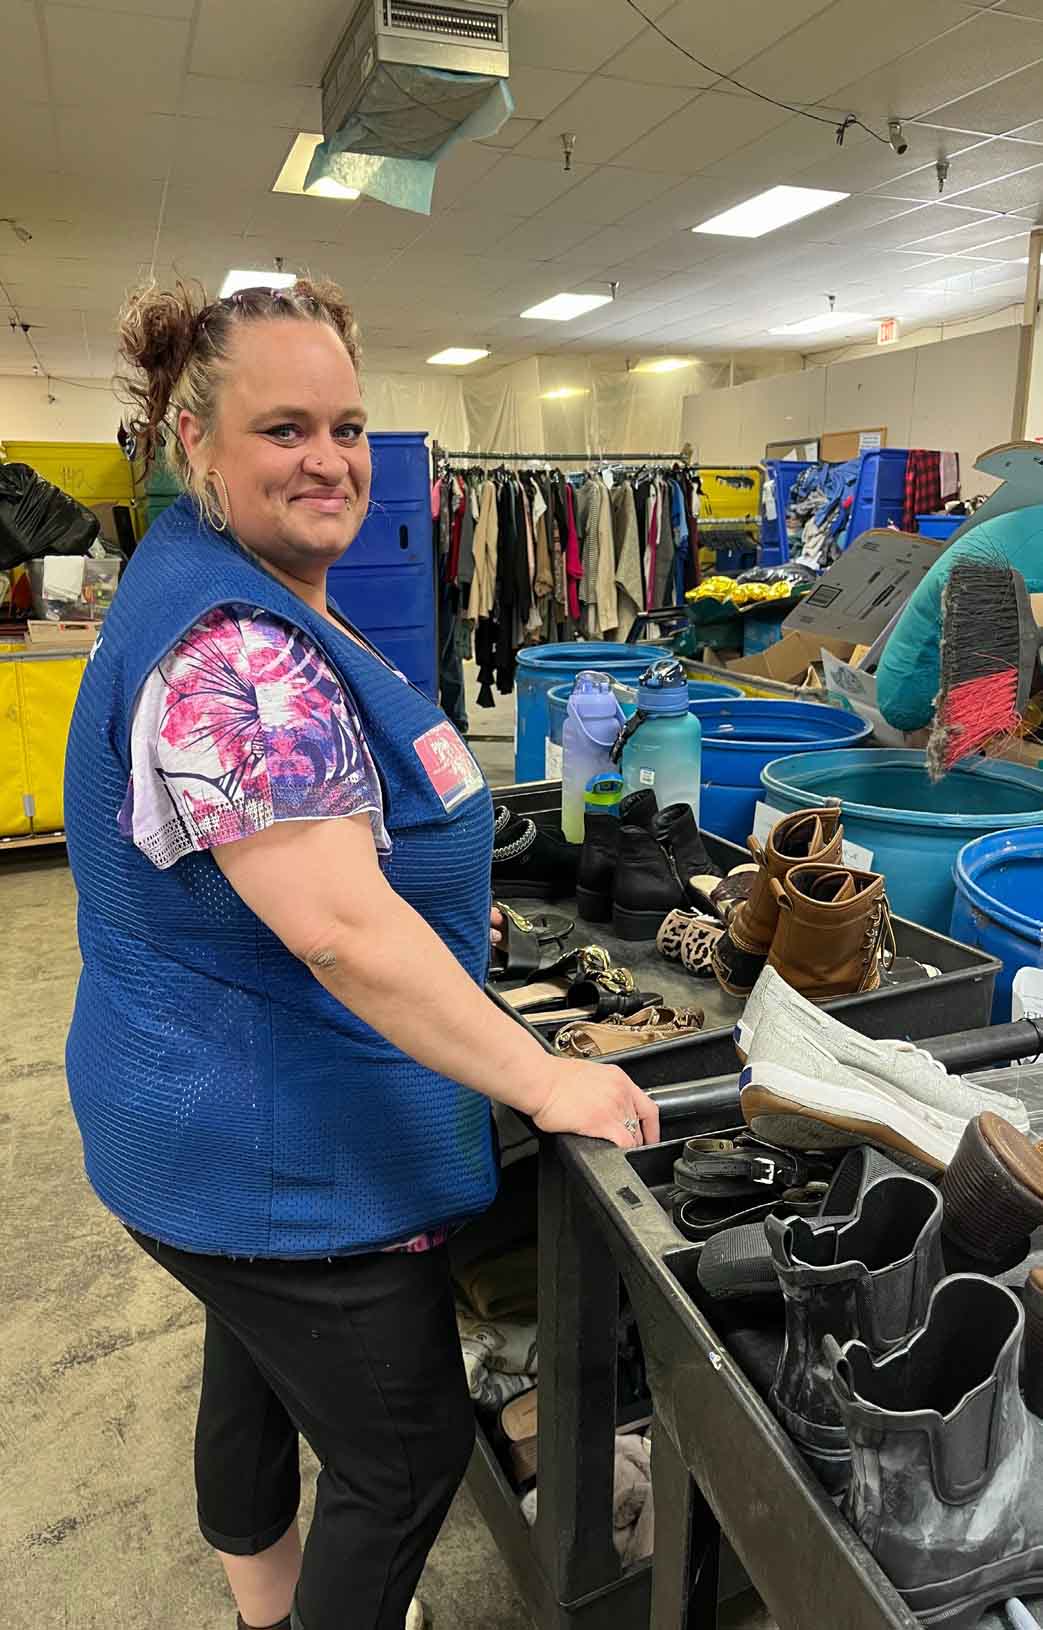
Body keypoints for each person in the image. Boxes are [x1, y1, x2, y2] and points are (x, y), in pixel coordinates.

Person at [62, 277, 659, 1630]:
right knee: (401, 1456)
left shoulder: (219, 581)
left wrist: (451, 912)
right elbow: (334, 924)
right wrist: (541, 1076)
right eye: (285, 429)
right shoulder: (237, 655)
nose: (329, 459)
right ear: (193, 441)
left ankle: (263, 1610)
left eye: (349, 425)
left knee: (255, 1367)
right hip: (276, 1148)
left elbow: (295, 861)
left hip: (189, 1129)